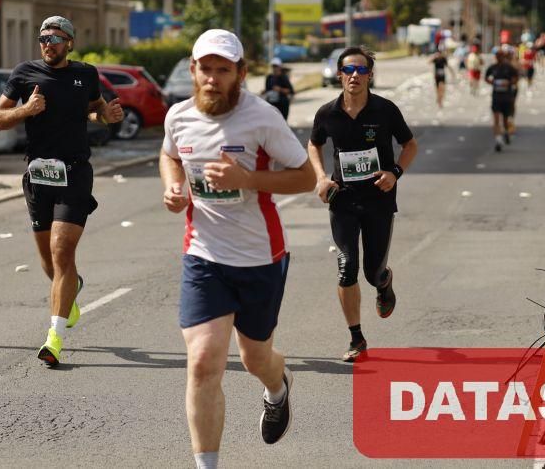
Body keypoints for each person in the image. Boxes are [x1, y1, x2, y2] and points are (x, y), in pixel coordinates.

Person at [159, 29, 315, 467]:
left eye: (223, 70)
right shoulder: (179, 116)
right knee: (203, 362)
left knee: (255, 357)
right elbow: (170, 155)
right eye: (205, 69)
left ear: (241, 73)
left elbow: (305, 177)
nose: (212, 78)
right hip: (204, 255)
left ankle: (278, 387)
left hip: (259, 257)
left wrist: (247, 179)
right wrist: (173, 186)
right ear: (193, 70)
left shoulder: (262, 118)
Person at [0, 15, 124, 367]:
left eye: (54, 39)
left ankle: (54, 338)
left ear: (69, 43)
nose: (47, 45)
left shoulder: (86, 74)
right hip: (38, 175)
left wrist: (106, 116)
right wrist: (26, 109)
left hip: (74, 173)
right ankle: (71, 290)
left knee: (62, 251)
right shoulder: (24, 73)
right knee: (49, 262)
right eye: (43, 39)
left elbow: (94, 110)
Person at [308, 47, 418, 362]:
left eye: (361, 70)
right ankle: (357, 338)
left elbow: (410, 145)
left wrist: (394, 172)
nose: (354, 75)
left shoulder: (385, 110)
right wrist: (321, 178)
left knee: (372, 272)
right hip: (342, 199)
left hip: (378, 200)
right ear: (339, 75)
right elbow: (314, 144)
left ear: (370, 75)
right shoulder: (327, 113)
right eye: (348, 70)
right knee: (346, 268)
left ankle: (384, 282)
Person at [485, 48, 519, 151]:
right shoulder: (493, 68)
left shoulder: (509, 68)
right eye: (497, 56)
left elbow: (516, 78)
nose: (499, 57)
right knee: (496, 119)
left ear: (503, 57)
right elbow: (486, 77)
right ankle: (498, 140)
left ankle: (506, 133)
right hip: (496, 97)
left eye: (501, 56)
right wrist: (493, 83)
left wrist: (509, 83)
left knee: (505, 120)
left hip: (507, 97)